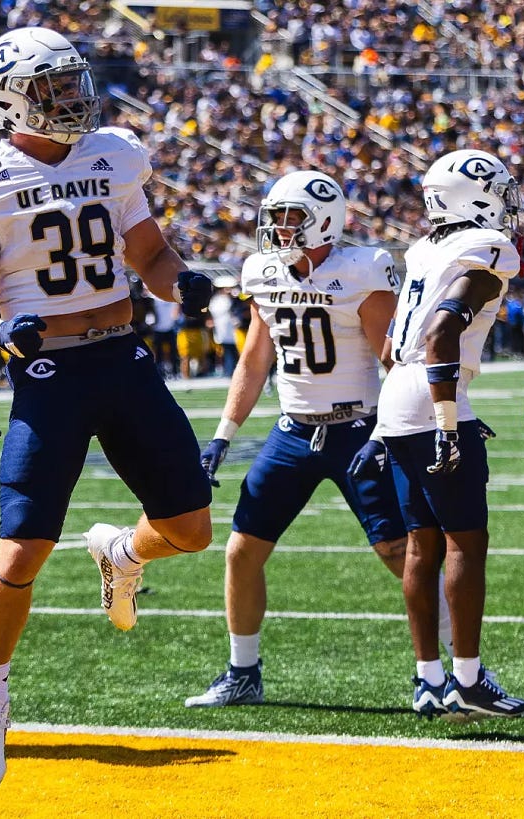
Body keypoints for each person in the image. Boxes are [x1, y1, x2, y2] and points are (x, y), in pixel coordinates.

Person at [0, 26, 215, 792]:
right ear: (9, 101)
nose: (72, 98)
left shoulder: (113, 154)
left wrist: (179, 282)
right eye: (52, 88)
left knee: (191, 527)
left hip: (122, 355)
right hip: (49, 368)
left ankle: (122, 553)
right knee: (22, 547)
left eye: (72, 82)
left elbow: (149, 254)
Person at [188, 171, 450, 708]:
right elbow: (256, 357)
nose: (279, 230)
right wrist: (222, 435)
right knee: (241, 551)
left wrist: (398, 427)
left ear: (325, 221)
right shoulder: (262, 271)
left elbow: (391, 357)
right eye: (275, 218)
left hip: (359, 428)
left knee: (398, 551)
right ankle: (242, 672)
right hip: (292, 431)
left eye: (290, 218)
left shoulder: (361, 271)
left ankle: (454, 669)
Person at [349, 149, 524, 721]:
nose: (507, 204)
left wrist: (399, 419)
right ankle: (468, 682)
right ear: (474, 196)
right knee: (464, 544)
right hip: (432, 399)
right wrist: (450, 424)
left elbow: (388, 349)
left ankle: (429, 680)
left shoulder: (426, 248)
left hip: (399, 398)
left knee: (422, 546)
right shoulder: (487, 248)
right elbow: (441, 333)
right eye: (500, 192)